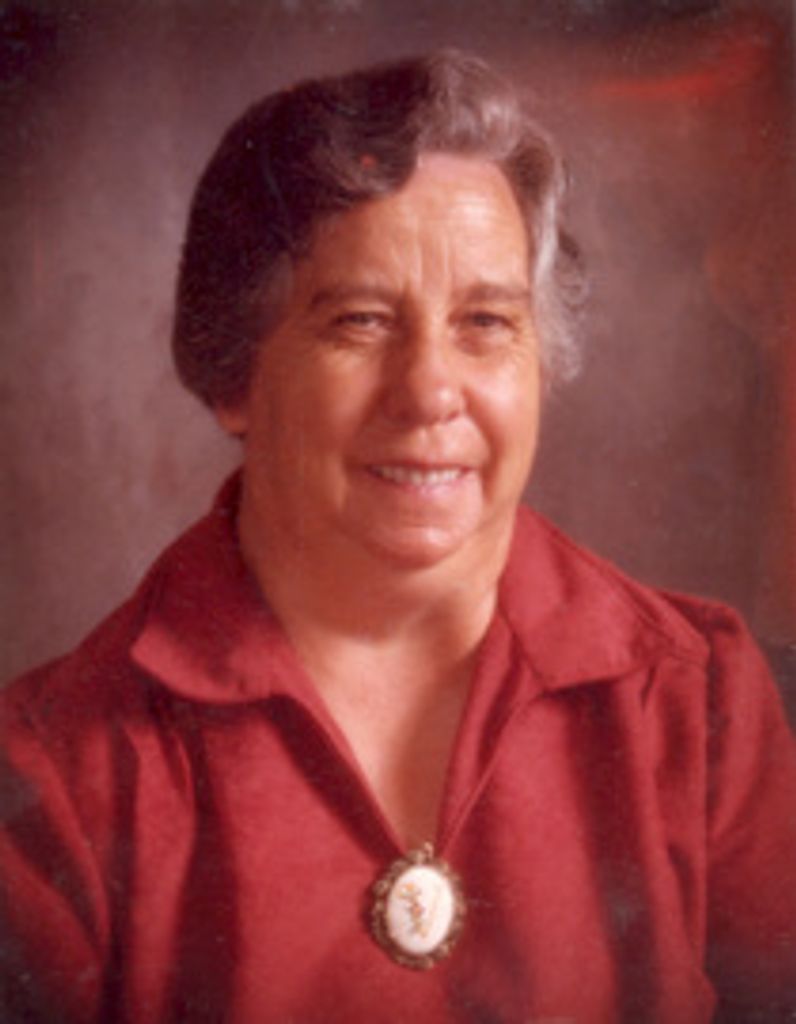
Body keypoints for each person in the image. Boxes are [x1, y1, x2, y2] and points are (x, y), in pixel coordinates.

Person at [1, 49, 795, 1024]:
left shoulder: (699, 700)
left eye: (486, 322)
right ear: (232, 373)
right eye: (362, 321)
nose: (428, 393)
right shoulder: (47, 779)